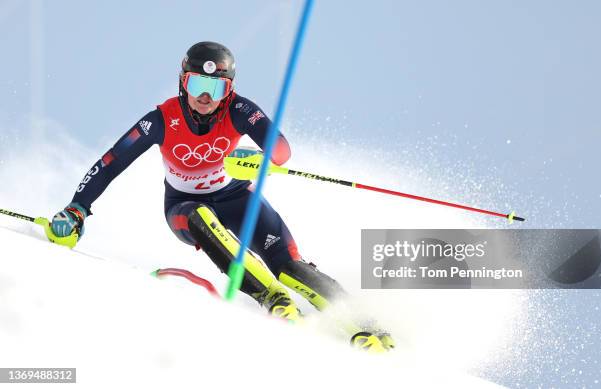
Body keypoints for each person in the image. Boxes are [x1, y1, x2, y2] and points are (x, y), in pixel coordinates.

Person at [50, 41, 393, 352]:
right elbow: (111, 162)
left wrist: (262, 157)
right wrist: (77, 209)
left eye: (216, 87)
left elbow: (282, 151)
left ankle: (367, 324)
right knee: (202, 217)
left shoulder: (240, 110)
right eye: (197, 84)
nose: (205, 96)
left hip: (237, 199)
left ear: (228, 90)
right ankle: (272, 297)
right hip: (184, 209)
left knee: (289, 266)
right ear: (183, 83)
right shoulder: (160, 120)